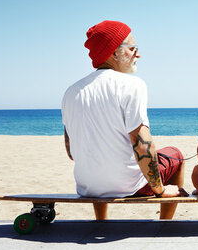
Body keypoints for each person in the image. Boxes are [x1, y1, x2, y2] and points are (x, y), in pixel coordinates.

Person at [61, 20, 187, 220]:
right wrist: (160, 190)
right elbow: (142, 146)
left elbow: (71, 152)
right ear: (114, 53)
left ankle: (101, 221)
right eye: (132, 48)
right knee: (176, 155)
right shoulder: (132, 85)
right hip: (129, 187)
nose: (138, 54)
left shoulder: (71, 92)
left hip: (87, 188)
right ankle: (166, 223)